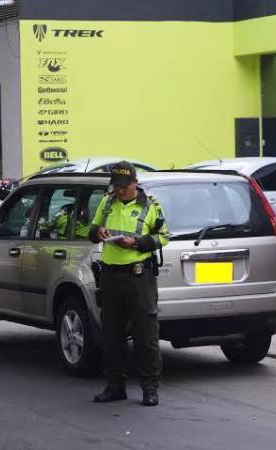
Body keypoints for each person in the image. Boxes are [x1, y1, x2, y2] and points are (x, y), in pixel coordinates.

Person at [89, 161, 169, 407]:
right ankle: (115, 386)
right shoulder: (107, 202)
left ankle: (150, 388)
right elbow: (91, 231)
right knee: (112, 333)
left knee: (146, 334)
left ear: (135, 182)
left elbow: (163, 237)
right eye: (116, 186)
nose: (120, 190)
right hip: (111, 276)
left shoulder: (151, 205)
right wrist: (99, 232)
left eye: (124, 186)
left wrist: (134, 243)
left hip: (138, 276)